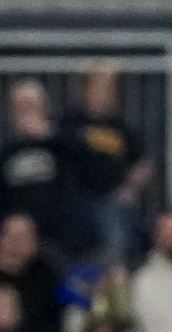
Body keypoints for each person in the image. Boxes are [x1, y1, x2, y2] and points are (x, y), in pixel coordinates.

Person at [57, 61, 150, 262]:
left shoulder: (122, 128)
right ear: (85, 90)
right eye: (99, 88)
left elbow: (142, 162)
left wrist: (130, 188)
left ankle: (112, 284)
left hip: (112, 200)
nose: (105, 95)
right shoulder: (69, 122)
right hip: (77, 199)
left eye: (110, 89)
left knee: (121, 234)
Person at [0, 77, 82, 259]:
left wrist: (46, 136)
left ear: (44, 108)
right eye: (19, 108)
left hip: (58, 238)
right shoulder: (6, 153)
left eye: (30, 106)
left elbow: (84, 169)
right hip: (18, 240)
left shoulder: (63, 143)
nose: (25, 114)